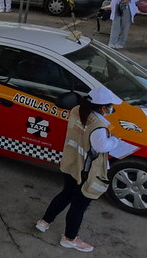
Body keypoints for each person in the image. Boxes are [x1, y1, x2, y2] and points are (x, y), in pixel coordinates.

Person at [36, 87, 124, 253]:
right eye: (110, 106)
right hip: (85, 170)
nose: (112, 109)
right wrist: (115, 141)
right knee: (79, 205)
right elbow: (101, 146)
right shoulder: (98, 126)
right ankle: (69, 239)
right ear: (103, 108)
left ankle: (44, 222)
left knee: (66, 194)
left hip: (70, 162)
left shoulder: (77, 110)